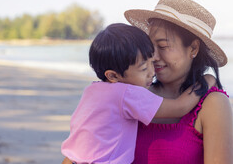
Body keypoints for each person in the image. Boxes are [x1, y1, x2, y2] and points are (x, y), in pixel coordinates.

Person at [61, 23, 206, 164]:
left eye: (151, 62)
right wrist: (206, 82)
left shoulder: (91, 91)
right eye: (143, 68)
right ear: (113, 76)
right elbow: (179, 108)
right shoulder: (128, 93)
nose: (152, 72)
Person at [124, 0, 233, 163]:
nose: (152, 56)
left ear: (193, 48)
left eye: (163, 46)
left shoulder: (213, 104)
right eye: (149, 45)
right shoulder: (135, 93)